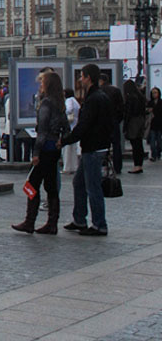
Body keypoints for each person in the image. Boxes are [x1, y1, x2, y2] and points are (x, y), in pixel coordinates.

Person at [12, 71, 68, 235]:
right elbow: (66, 127)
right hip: (54, 149)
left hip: (44, 149)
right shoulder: (59, 103)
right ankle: (52, 223)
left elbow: (42, 130)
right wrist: (61, 140)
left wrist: (35, 153)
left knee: (32, 184)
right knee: (51, 186)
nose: (40, 85)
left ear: (47, 85)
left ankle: (30, 221)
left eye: (42, 82)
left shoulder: (46, 103)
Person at [59, 64, 112, 236]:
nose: (80, 79)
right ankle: (79, 219)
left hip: (92, 148)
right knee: (79, 183)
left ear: (88, 77)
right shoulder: (101, 96)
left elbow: (84, 126)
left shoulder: (93, 99)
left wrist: (65, 141)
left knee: (93, 186)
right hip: (97, 146)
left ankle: (99, 224)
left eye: (82, 76)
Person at [99, 73, 124, 174]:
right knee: (116, 145)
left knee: (103, 145)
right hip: (114, 121)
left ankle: (104, 165)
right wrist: (117, 119)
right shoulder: (116, 90)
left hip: (102, 122)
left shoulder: (99, 91)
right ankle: (118, 166)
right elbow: (121, 107)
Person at [124, 79, 147, 174]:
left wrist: (125, 124)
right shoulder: (140, 96)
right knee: (139, 143)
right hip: (140, 121)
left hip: (133, 122)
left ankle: (136, 165)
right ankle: (139, 165)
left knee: (135, 144)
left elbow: (129, 112)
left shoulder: (131, 97)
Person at [62, 88, 81, 174]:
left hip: (70, 126)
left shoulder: (69, 100)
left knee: (67, 150)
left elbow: (69, 110)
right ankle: (74, 166)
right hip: (75, 125)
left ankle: (67, 167)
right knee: (73, 149)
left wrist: (62, 111)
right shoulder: (75, 101)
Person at [147, 87, 162, 162]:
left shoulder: (161, 102)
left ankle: (158, 153)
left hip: (159, 124)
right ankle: (154, 155)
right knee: (152, 141)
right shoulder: (150, 103)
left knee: (159, 141)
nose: (154, 94)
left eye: (155, 92)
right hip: (152, 124)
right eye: (153, 93)